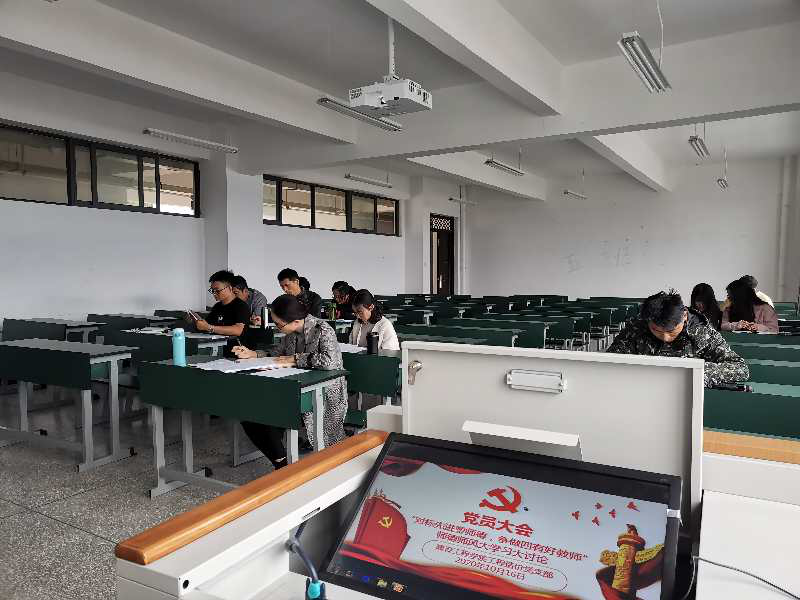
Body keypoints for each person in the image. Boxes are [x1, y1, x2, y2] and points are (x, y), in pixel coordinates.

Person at [232, 294, 347, 470]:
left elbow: (330, 361)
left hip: (323, 393)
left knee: (267, 413)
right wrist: (253, 354)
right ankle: (281, 463)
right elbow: (277, 353)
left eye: (279, 324)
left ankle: (282, 463)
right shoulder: (291, 333)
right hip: (293, 388)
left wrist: (295, 359)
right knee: (250, 413)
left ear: (295, 321)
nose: (277, 328)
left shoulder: (322, 329)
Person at [607, 290, 749, 387]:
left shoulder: (703, 332)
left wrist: (691, 371)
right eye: (656, 330)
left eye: (671, 331)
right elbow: (610, 361)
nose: (665, 337)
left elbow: (740, 368)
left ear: (684, 316)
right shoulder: (637, 326)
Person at [194, 270, 249, 339]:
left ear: (230, 288)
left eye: (217, 290)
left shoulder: (241, 306)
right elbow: (207, 324)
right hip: (216, 343)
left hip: (235, 344)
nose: (214, 293)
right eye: (212, 290)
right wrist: (197, 322)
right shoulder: (217, 307)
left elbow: (238, 330)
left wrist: (209, 327)